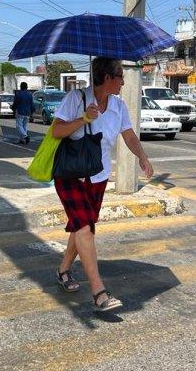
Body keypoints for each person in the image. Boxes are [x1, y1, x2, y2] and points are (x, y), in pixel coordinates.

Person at [51, 57, 154, 312]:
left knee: (81, 227)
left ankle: (63, 270)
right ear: (107, 78)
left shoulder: (118, 105)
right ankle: (99, 291)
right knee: (85, 227)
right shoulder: (76, 99)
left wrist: (142, 156)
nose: (123, 82)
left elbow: (128, 134)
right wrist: (85, 118)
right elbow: (56, 131)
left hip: (98, 175)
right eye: (120, 76)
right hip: (70, 174)